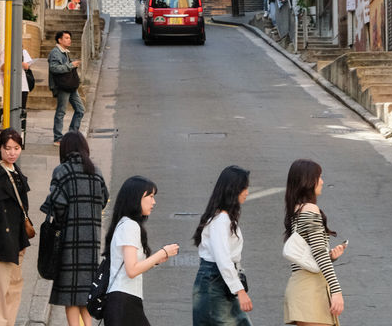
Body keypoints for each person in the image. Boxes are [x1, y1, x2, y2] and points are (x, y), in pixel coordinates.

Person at [40, 131, 109, 326]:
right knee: (85, 294)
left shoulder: (62, 171)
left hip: (69, 240)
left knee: (70, 295)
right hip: (92, 240)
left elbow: (57, 204)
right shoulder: (96, 171)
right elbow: (104, 199)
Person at [103, 176, 179, 326]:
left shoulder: (125, 224)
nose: (154, 202)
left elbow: (131, 265)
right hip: (124, 303)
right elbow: (132, 270)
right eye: (150, 196)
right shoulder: (130, 226)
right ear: (136, 198)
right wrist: (162, 252)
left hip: (124, 302)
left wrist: (155, 260)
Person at [283, 159, 345, 326]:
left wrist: (330, 257)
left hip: (302, 287)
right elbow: (318, 252)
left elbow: (307, 256)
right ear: (309, 181)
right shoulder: (310, 209)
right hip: (310, 291)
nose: (322, 181)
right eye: (320, 177)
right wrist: (337, 291)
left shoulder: (295, 210)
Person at [0, 128, 30, 326]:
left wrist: (22, 241)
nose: (12, 152)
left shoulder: (16, 172)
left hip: (16, 241)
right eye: (7, 148)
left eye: (16, 148)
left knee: (13, 287)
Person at [192, 165, 253, 326]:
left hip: (217, 282)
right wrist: (239, 291)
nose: (247, 192)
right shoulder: (221, 221)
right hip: (215, 282)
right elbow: (222, 259)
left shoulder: (223, 218)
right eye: (244, 188)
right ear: (233, 190)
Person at [49, 31, 85, 145]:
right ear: (59, 40)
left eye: (69, 38)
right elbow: (54, 68)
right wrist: (71, 65)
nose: (69, 40)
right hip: (62, 86)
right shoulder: (55, 52)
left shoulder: (65, 52)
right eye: (66, 38)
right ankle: (58, 138)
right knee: (61, 111)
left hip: (70, 86)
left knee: (80, 110)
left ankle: (72, 135)